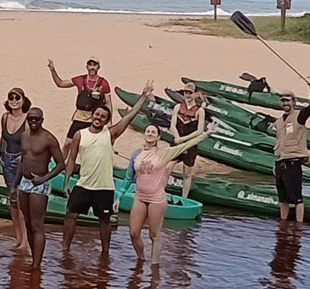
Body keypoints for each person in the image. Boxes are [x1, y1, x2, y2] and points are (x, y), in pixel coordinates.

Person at [62, 81, 154, 256]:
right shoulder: (79, 135)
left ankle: (105, 254)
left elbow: (130, 116)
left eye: (102, 117)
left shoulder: (110, 134)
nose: (98, 118)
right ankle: (65, 250)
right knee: (71, 216)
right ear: (92, 116)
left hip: (104, 188)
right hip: (83, 186)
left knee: (104, 220)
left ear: (105, 120)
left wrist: (143, 96)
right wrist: (67, 181)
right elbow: (72, 158)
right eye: (96, 115)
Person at [124, 122, 215, 265]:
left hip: (156, 199)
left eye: (153, 132)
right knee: (133, 233)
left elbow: (185, 145)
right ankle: (141, 260)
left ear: (158, 137)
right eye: (147, 131)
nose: (150, 133)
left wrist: (206, 134)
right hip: (140, 197)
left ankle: (154, 266)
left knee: (154, 234)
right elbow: (129, 176)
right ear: (144, 134)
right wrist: (120, 195)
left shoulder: (164, 153)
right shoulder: (136, 154)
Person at [16, 107, 65, 269]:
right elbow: (22, 161)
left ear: (42, 120)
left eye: (37, 119)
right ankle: (33, 257)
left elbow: (60, 165)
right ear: (27, 120)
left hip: (40, 184)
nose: (33, 122)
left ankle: (37, 266)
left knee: (37, 225)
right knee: (28, 224)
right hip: (24, 182)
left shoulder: (49, 138)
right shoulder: (24, 136)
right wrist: (14, 185)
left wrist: (44, 178)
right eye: (31, 119)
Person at [47, 56, 112, 152]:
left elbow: (108, 104)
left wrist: (109, 122)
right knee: (68, 143)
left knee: (91, 146)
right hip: (80, 117)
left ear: (98, 67)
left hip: (94, 118)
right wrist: (53, 71)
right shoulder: (80, 79)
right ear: (87, 66)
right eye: (90, 65)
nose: (92, 67)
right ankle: (59, 164)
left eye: (95, 65)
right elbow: (60, 84)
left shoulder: (104, 83)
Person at [274, 84, 310, 223]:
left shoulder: (299, 116)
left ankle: (299, 226)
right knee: (283, 198)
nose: (285, 103)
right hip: (280, 161)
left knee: (297, 197)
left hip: (293, 161)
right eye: (283, 101)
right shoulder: (279, 121)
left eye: (288, 100)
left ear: (293, 102)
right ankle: (283, 222)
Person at [0, 87, 30, 251]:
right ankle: (18, 238)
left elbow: (30, 144)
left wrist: (24, 161)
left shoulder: (27, 119)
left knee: (20, 200)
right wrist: (1, 156)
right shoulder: (5, 117)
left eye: (17, 98)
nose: (14, 101)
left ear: (23, 100)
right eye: (11, 98)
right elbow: (3, 139)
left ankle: (25, 240)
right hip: (8, 162)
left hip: (20, 162)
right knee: (12, 200)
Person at [169, 81, 206, 198]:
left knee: (187, 173)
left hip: (190, 145)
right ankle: (160, 193)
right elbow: (172, 125)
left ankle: (184, 197)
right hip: (177, 141)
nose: (187, 95)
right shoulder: (177, 107)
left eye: (190, 93)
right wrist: (177, 137)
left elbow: (199, 130)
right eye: (185, 92)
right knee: (167, 168)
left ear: (194, 94)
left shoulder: (200, 111)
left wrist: (184, 139)